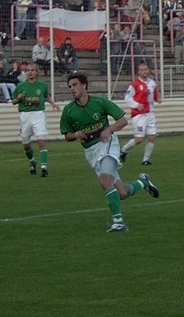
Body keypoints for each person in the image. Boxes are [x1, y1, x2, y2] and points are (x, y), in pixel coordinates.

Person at [60, 72, 160, 233]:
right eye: (70, 86)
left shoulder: (100, 102)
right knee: (122, 193)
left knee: (105, 179)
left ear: (84, 85)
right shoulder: (69, 110)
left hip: (107, 144)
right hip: (91, 152)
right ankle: (143, 182)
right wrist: (76, 135)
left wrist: (109, 129)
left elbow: (122, 120)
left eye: (75, 85)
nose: (72, 88)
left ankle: (118, 223)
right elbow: (67, 135)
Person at [12, 63, 59, 177]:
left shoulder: (42, 86)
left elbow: (45, 96)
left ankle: (44, 167)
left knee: (41, 140)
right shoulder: (21, 86)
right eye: (28, 70)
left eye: (32, 70)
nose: (30, 72)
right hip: (25, 115)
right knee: (26, 145)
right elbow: (13, 101)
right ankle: (32, 161)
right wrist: (18, 99)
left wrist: (53, 104)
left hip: (38, 114)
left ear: (37, 72)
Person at [120, 62, 161, 166]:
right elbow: (127, 98)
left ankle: (145, 160)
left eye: (146, 69)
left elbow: (155, 93)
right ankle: (123, 150)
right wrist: (136, 105)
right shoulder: (135, 84)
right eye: (142, 70)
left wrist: (158, 99)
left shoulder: (152, 83)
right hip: (139, 114)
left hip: (150, 113)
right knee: (139, 139)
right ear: (138, 72)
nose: (144, 71)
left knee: (152, 136)